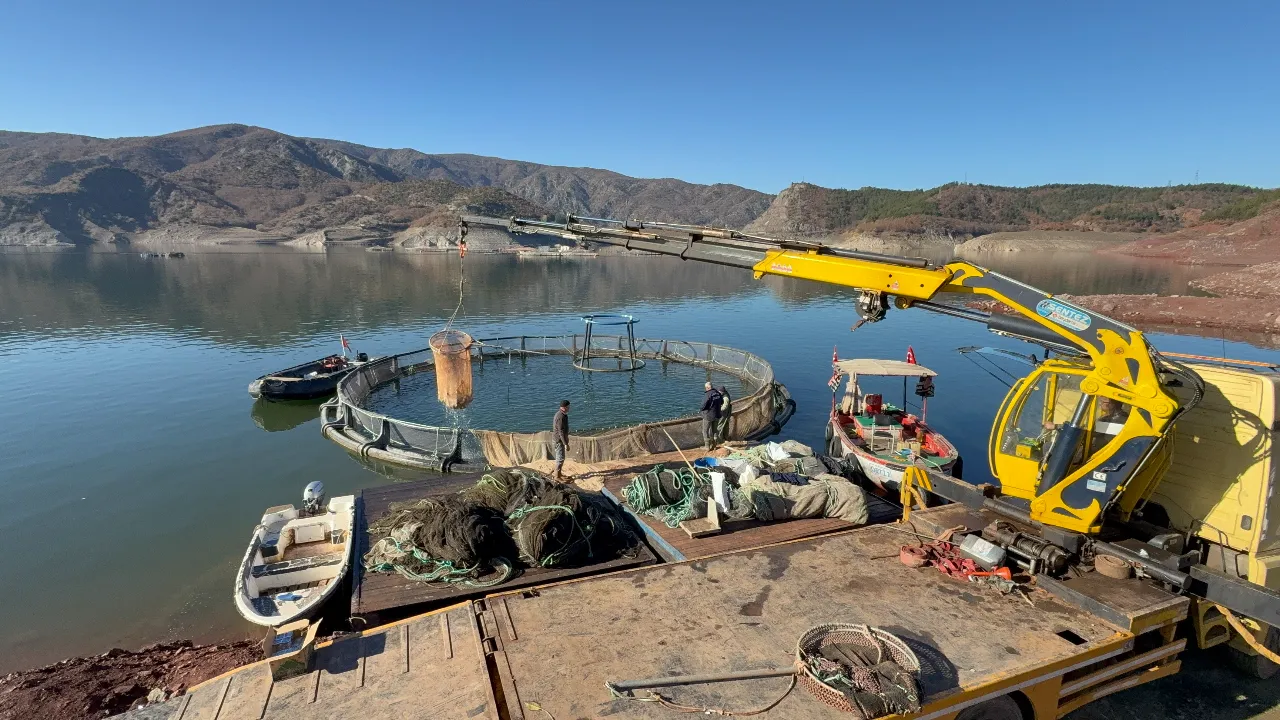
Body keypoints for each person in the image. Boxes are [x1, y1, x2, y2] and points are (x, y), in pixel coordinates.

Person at [700, 382, 722, 450]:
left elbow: (703, 405)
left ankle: (707, 446)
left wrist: (702, 410)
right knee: (715, 430)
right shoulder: (718, 393)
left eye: (705, 388)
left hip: (708, 416)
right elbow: (722, 402)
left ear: (707, 388)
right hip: (717, 414)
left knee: (705, 431)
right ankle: (714, 445)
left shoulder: (708, 394)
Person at [552, 400, 570, 480]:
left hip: (560, 440)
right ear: (564, 407)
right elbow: (560, 432)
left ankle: (559, 474)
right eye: (568, 406)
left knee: (561, 458)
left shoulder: (562, 414)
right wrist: (565, 443)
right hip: (559, 441)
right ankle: (557, 476)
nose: (569, 408)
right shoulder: (560, 416)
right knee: (560, 459)